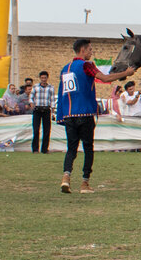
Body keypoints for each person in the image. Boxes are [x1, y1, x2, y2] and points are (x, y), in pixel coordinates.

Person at [58, 38, 134, 193]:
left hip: (69, 115)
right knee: (88, 148)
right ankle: (85, 183)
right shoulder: (87, 65)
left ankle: (66, 177)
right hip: (85, 113)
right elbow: (104, 78)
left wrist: (62, 114)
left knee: (71, 148)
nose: (91, 52)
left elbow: (62, 94)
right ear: (83, 50)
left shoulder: (65, 69)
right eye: (90, 50)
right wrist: (126, 73)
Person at [30, 70, 55, 153]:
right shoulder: (35, 87)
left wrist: (53, 110)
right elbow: (31, 97)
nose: (43, 79)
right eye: (42, 78)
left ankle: (45, 149)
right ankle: (35, 149)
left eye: (45, 78)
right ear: (40, 78)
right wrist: (31, 104)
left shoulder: (51, 88)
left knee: (47, 130)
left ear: (47, 78)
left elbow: (52, 100)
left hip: (46, 109)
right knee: (36, 130)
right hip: (37, 109)